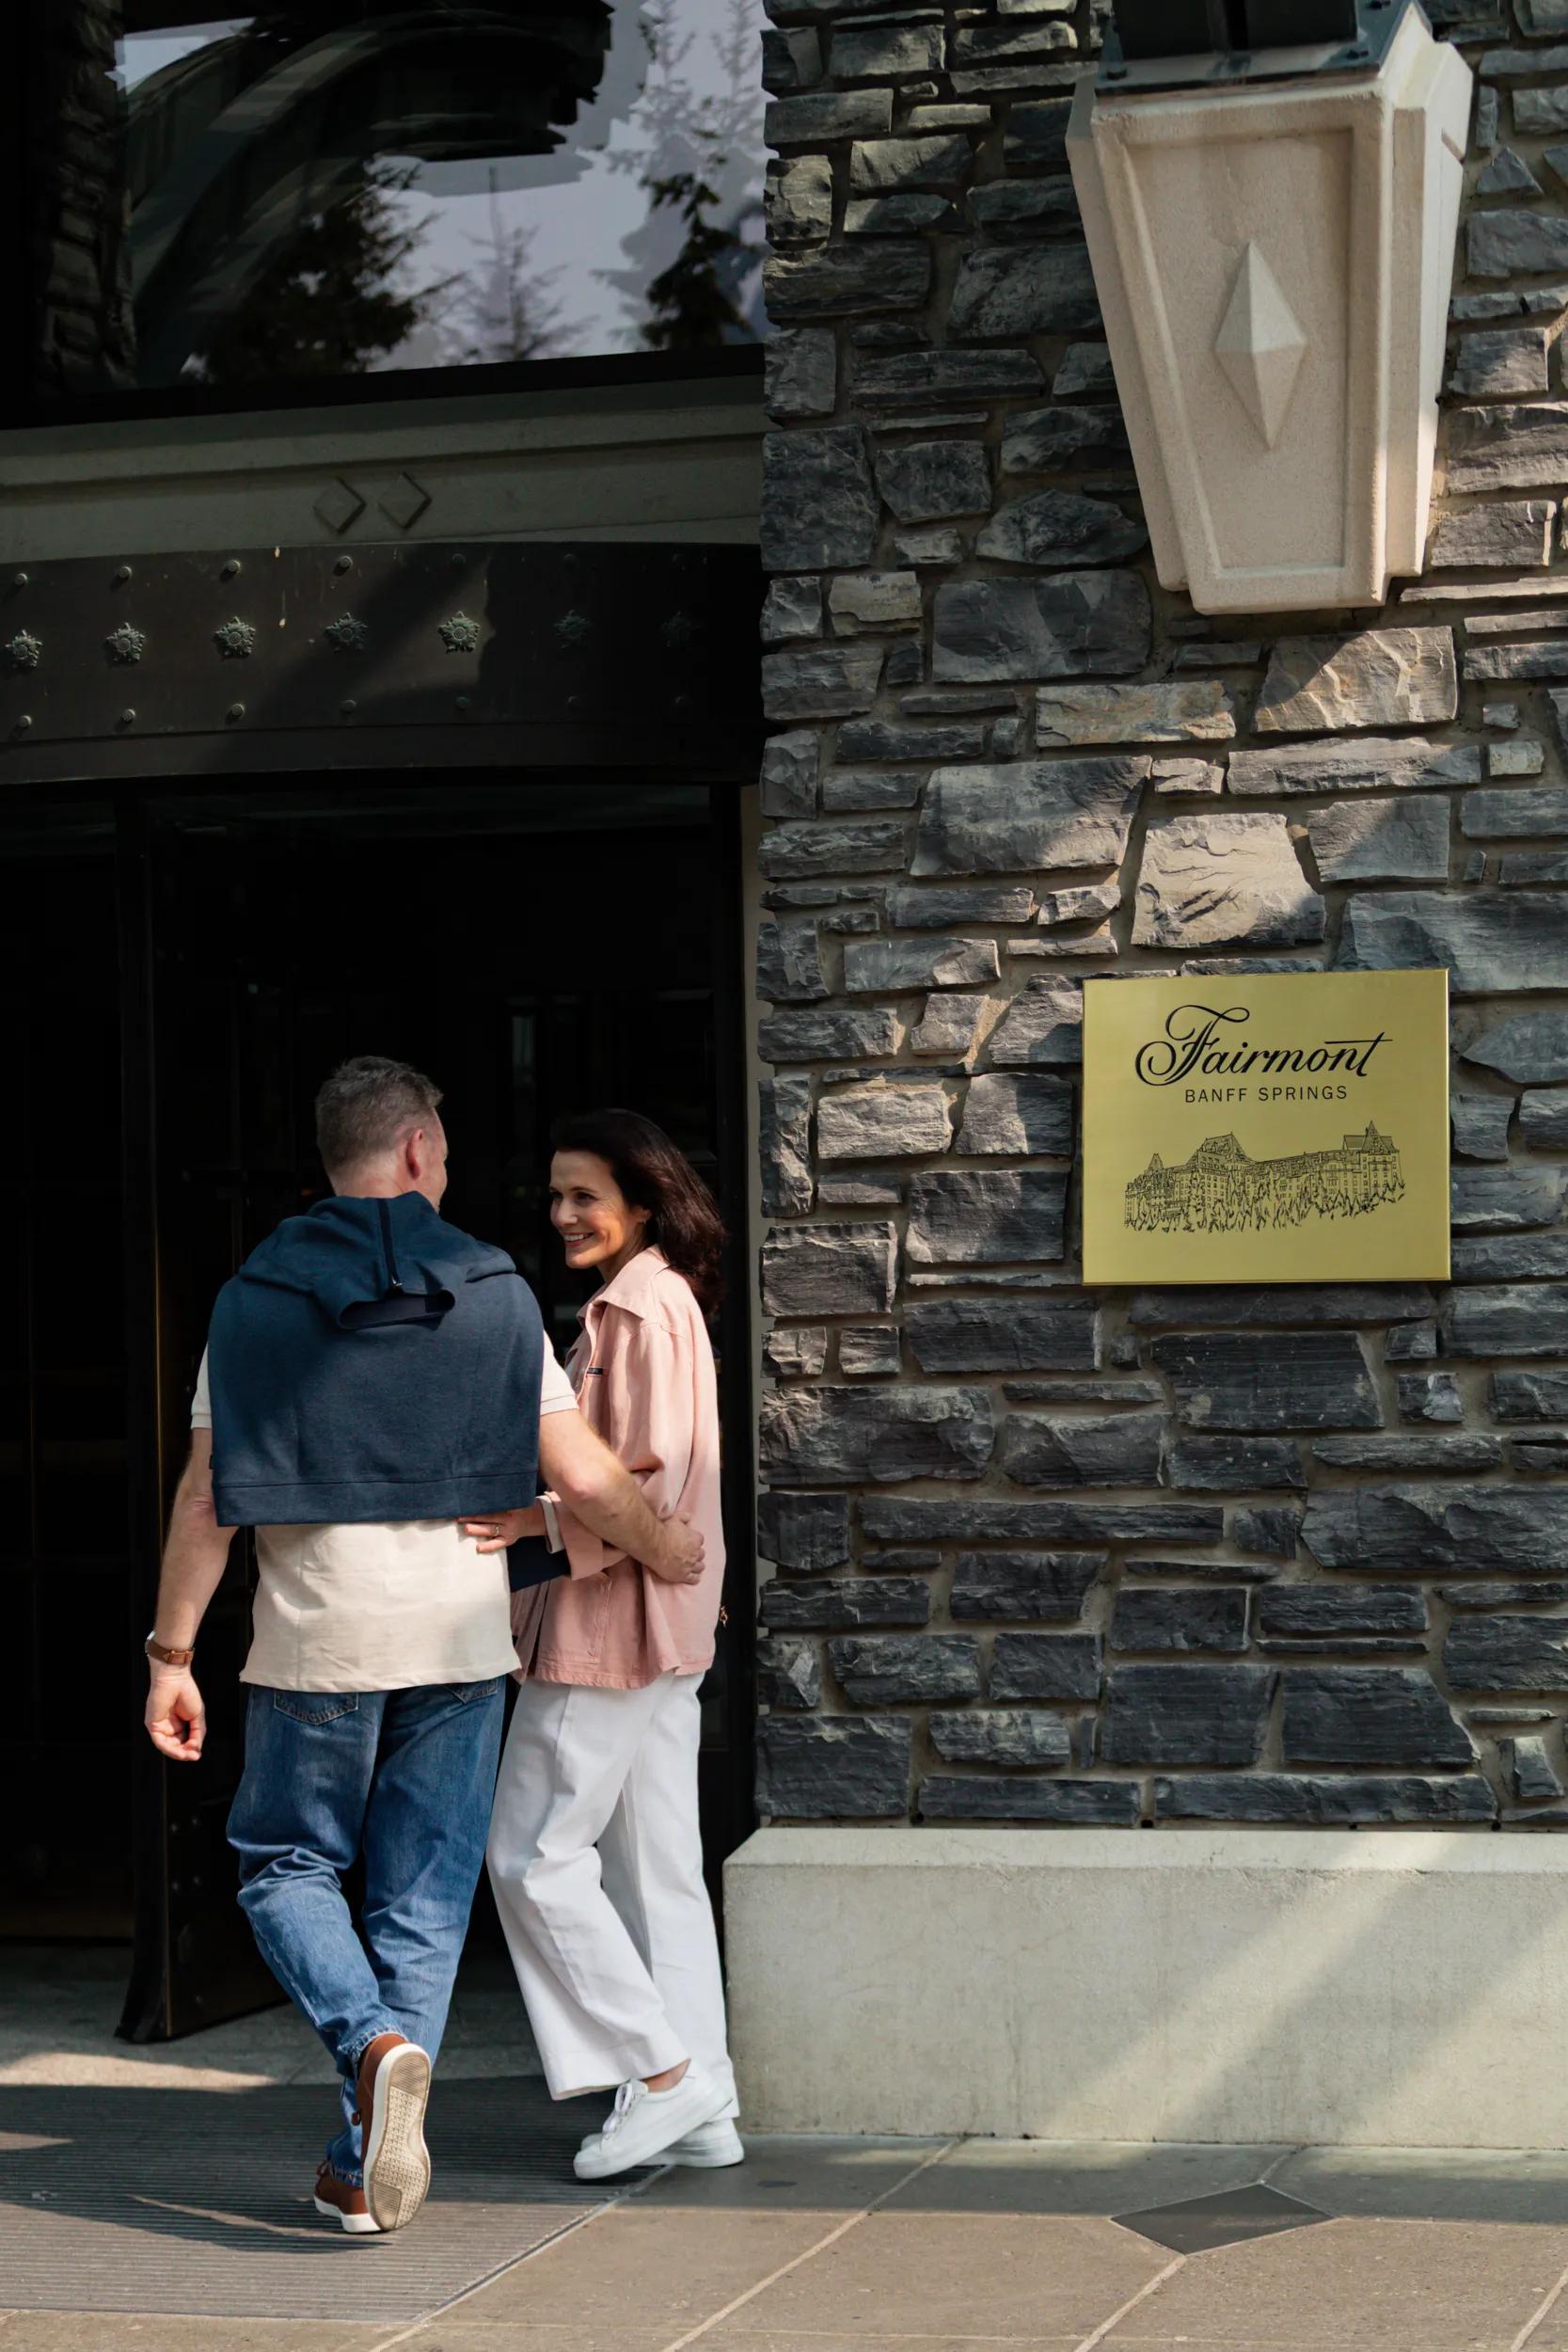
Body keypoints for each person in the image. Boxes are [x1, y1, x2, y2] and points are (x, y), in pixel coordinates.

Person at [142, 1059, 705, 2238]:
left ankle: (370, 2058)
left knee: (285, 1866)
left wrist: (170, 1653)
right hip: (461, 1646)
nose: (446, 1167)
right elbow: (584, 1472)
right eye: (441, 1148)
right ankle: (366, 2156)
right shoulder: (493, 1292)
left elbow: (207, 1498)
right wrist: (666, 1543)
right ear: (409, 1155)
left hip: (316, 1647)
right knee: (424, 1902)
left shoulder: (250, 1298)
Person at [469, 1108, 737, 2183]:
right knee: (653, 1870)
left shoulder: (638, 1305)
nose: (564, 1213)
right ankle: (702, 2103)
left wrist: (537, 1520)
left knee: (529, 1856)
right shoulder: (650, 1300)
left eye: (585, 1193)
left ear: (640, 1198)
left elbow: (644, 1473)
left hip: (609, 1630)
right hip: (653, 1629)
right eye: (554, 1194)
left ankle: (663, 2076)